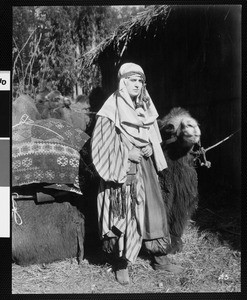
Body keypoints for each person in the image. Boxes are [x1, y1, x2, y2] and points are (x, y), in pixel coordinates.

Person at [91, 62, 183, 285]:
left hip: (145, 166)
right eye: (133, 80)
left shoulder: (144, 107)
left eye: (141, 81)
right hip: (122, 171)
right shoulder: (110, 110)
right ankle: (121, 263)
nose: (137, 84)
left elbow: (150, 134)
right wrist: (126, 153)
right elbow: (101, 145)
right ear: (123, 83)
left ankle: (159, 258)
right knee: (124, 214)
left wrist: (151, 147)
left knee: (153, 209)